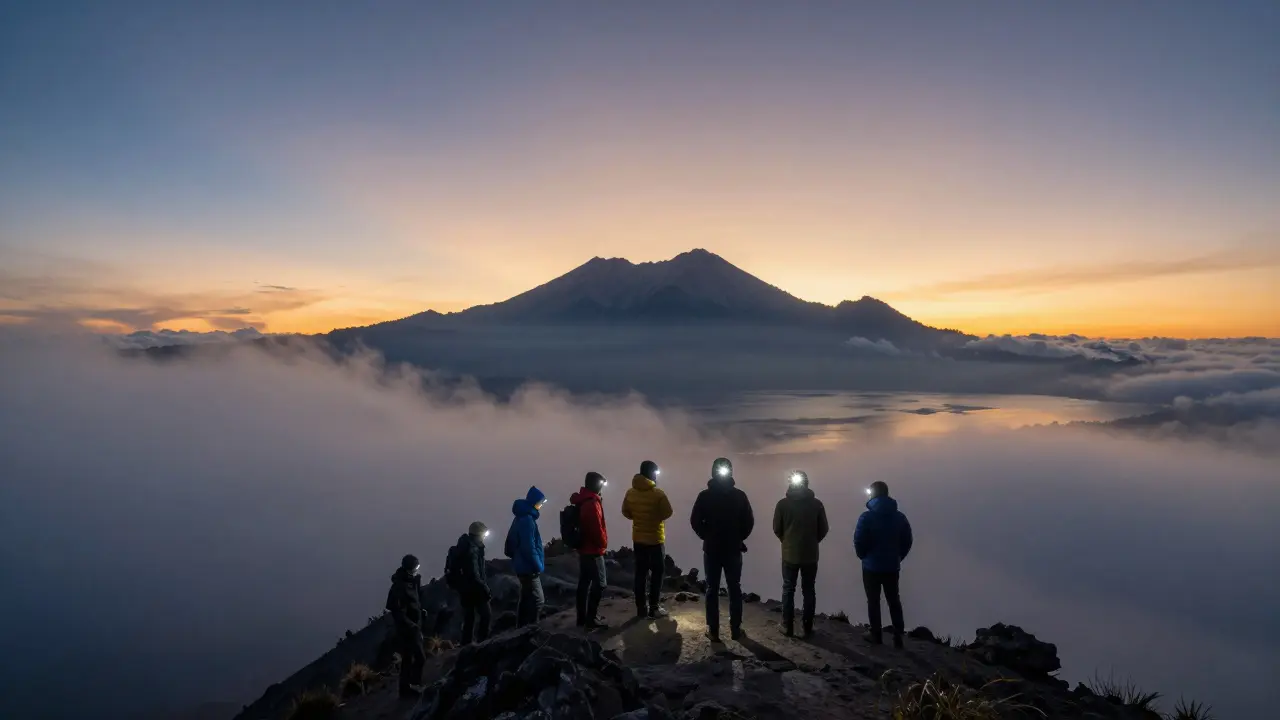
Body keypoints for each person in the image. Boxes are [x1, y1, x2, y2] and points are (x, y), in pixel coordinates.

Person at [690, 457, 754, 642]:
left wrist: (706, 536)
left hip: (712, 549)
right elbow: (748, 522)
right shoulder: (740, 496)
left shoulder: (704, 496)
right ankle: (735, 629)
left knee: (712, 589)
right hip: (733, 548)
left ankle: (714, 631)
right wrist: (739, 538)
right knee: (734, 588)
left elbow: (695, 521)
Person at [854, 480, 913, 648]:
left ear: (872, 494)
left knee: (873, 601)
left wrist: (863, 556)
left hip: (871, 567)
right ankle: (898, 636)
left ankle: (876, 635)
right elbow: (907, 540)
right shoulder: (899, 517)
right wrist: (898, 557)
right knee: (894, 600)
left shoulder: (866, 517)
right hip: (892, 567)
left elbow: (859, 541)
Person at [772, 470, 829, 638]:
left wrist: (787, 541)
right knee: (809, 589)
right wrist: (812, 541)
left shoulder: (782, 504)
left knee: (788, 588)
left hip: (790, 554)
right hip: (810, 555)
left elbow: (777, 528)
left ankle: (787, 625)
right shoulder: (816, 504)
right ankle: (807, 627)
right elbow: (823, 529)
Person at [621, 459, 674, 618]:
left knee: (640, 573)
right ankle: (654, 607)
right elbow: (667, 513)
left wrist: (638, 517)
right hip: (655, 540)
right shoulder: (658, 494)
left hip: (638, 539)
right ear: (652, 474)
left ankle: (641, 609)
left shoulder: (630, 492)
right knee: (657, 573)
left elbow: (625, 512)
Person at [571, 471, 610, 630]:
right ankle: (591, 620)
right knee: (600, 584)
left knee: (584, 582)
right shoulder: (592, 504)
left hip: (583, 549)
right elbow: (596, 530)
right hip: (593, 550)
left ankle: (582, 618)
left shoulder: (583, 500)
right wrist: (604, 544)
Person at [385, 554, 427, 698]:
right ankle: (411, 686)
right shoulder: (399, 586)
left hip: (414, 626)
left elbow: (414, 602)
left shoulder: (412, 581)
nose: (417, 570)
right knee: (417, 657)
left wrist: (421, 611)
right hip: (407, 629)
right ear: (409, 569)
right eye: (415, 567)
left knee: (409, 658)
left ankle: (408, 688)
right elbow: (397, 610)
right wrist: (411, 625)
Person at [505, 486, 547, 627]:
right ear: (535, 502)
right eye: (541, 502)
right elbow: (529, 547)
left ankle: (521, 627)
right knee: (538, 600)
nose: (541, 505)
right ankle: (532, 629)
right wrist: (538, 565)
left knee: (526, 598)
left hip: (521, 566)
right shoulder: (527, 520)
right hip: (528, 567)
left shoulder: (520, 518)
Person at [450, 521, 493, 645]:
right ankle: (483, 642)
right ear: (478, 534)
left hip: (464, 588)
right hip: (475, 588)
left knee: (469, 617)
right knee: (486, 615)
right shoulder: (473, 549)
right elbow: (475, 572)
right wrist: (485, 587)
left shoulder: (463, 545)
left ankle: (466, 644)